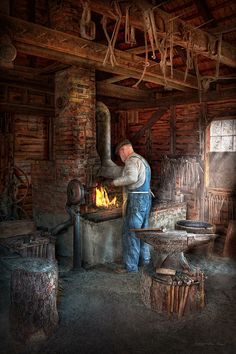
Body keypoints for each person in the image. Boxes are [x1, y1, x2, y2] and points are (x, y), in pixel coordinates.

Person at [110, 139, 152, 273]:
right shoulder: (142, 160)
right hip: (146, 198)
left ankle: (130, 267)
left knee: (131, 233)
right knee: (143, 232)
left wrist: (115, 182)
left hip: (136, 200)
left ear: (123, 150)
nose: (121, 158)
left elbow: (132, 178)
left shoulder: (131, 161)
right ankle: (144, 261)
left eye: (120, 154)